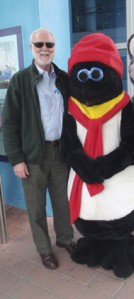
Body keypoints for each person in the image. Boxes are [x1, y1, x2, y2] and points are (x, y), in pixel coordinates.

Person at [2, 28, 75, 269]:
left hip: (60, 153)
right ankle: (44, 250)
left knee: (62, 202)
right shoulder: (20, 81)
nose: (45, 48)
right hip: (33, 156)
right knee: (36, 206)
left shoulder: (64, 78)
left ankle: (65, 240)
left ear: (54, 47)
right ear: (31, 47)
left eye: (49, 44)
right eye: (39, 44)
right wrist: (17, 159)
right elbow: (9, 123)